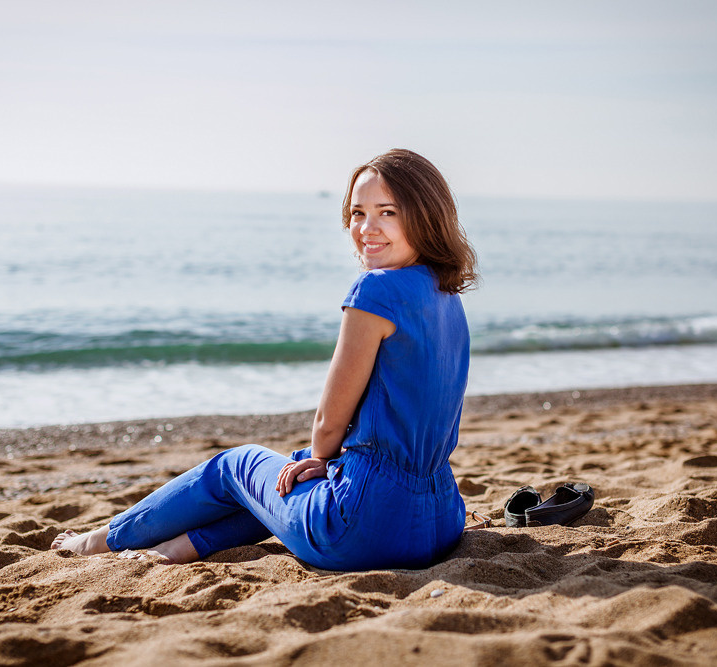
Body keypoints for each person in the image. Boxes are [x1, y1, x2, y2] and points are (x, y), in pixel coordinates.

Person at [51, 149, 478, 571]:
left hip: (362, 527)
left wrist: (322, 456)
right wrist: (318, 459)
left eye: (387, 212)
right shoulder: (446, 295)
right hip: (440, 522)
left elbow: (329, 422)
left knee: (234, 465)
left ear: (424, 215)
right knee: (287, 470)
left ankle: (99, 540)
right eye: (357, 213)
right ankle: (182, 547)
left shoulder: (376, 291)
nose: (367, 228)